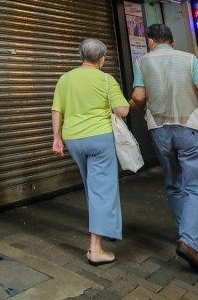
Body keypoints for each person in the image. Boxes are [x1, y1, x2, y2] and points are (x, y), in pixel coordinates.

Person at [130, 23, 198, 276]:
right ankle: (189, 242)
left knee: (174, 184)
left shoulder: (142, 62)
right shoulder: (189, 59)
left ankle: (185, 234)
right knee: (196, 186)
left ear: (150, 41)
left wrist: (129, 105)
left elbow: (139, 97)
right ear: (172, 41)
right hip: (190, 127)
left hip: (159, 130)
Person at [51, 38, 129, 265]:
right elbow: (122, 110)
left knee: (93, 187)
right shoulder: (106, 79)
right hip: (99, 139)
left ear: (81, 55)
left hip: (74, 139)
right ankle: (95, 249)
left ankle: (108, 228)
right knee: (103, 189)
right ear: (102, 59)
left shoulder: (65, 79)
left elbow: (56, 110)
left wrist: (57, 137)